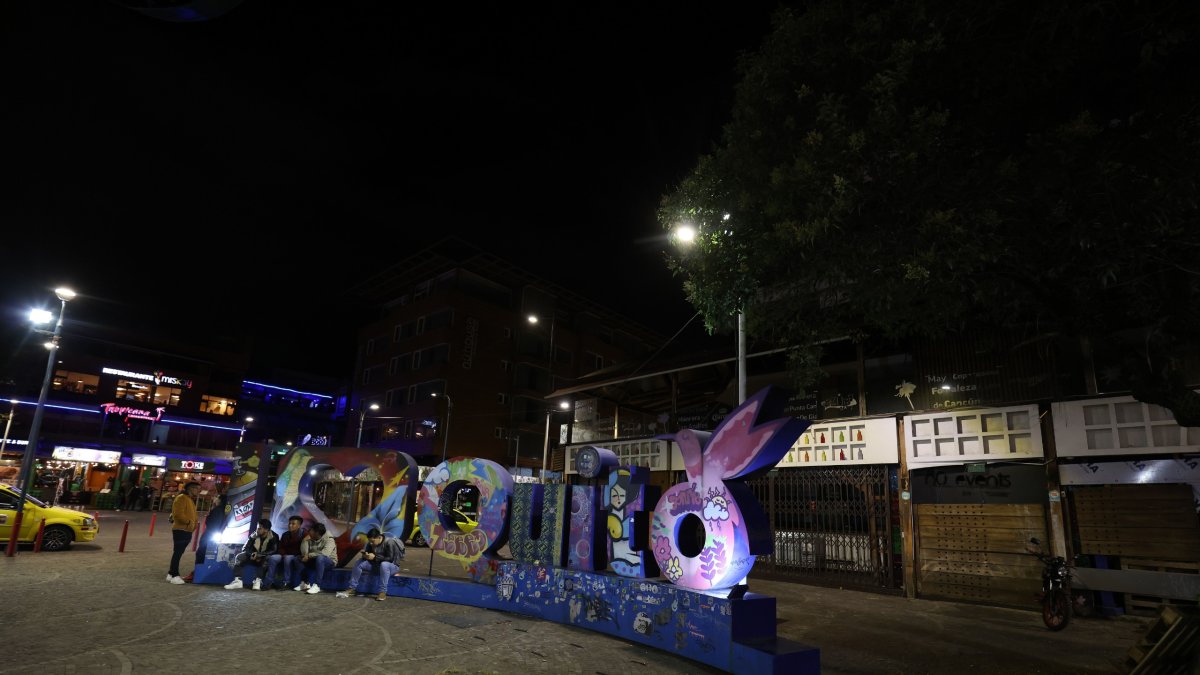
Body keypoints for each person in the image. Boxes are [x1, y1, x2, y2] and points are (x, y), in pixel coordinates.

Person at [336, 527, 404, 601]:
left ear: (379, 537)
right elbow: (368, 555)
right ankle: (352, 588)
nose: (371, 543)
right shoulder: (370, 543)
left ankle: (382, 592)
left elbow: (390, 559)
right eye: (370, 541)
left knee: (384, 564)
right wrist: (366, 556)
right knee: (359, 562)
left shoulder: (389, 542)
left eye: (372, 541)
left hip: (392, 567)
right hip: (378, 566)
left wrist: (374, 558)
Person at [185, 484, 230, 582]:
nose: (214, 499)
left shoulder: (217, 510)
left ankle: (197, 573)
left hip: (209, 535)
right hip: (215, 535)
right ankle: (200, 573)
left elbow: (211, 523)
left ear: (220, 500)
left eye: (216, 498)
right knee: (208, 555)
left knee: (201, 553)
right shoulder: (223, 511)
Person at [223, 518, 279, 591]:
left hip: (263, 557)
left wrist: (260, 555)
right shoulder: (254, 535)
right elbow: (245, 548)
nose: (257, 529)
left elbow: (274, 550)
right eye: (258, 528)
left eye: (260, 528)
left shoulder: (274, 536)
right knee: (239, 556)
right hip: (252, 557)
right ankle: (238, 581)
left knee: (267, 558)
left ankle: (258, 581)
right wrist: (252, 554)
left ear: (266, 530)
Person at [165, 481, 200, 585]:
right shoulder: (181, 498)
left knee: (178, 552)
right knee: (178, 552)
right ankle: (175, 575)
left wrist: (192, 525)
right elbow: (178, 514)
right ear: (191, 489)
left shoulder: (189, 499)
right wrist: (189, 523)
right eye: (197, 489)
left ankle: (171, 573)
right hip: (181, 529)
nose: (199, 491)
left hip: (187, 529)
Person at [264, 516, 305, 590]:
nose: (290, 525)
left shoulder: (304, 534)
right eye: (289, 523)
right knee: (273, 557)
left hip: (296, 556)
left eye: (293, 524)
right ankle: (269, 582)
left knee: (288, 558)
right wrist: (283, 554)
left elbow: (303, 548)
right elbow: (280, 547)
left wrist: (288, 554)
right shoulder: (285, 534)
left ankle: (286, 582)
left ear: (299, 525)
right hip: (285, 555)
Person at [294, 522, 336, 595]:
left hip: (329, 562)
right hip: (315, 560)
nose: (309, 532)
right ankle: (305, 583)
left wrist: (309, 555)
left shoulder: (329, 539)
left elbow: (325, 554)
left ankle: (317, 585)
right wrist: (304, 541)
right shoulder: (310, 537)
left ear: (317, 533)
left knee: (320, 558)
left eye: (311, 530)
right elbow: (304, 553)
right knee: (298, 558)